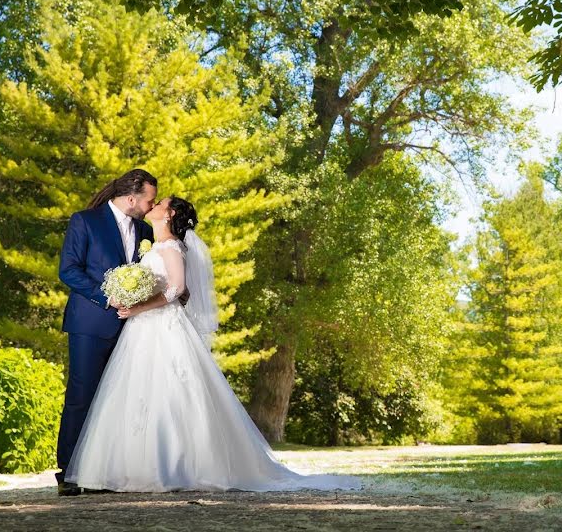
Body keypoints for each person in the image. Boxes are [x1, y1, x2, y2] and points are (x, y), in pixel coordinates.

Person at [65, 196, 360, 492]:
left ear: (170, 215)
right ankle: (131, 467)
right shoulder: (154, 245)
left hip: (163, 326)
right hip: (142, 329)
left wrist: (138, 307)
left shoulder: (170, 246)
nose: (152, 206)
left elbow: (177, 288)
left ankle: (173, 466)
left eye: (160, 203)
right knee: (136, 392)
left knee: (171, 392)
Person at [55, 169, 158, 496]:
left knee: (117, 398)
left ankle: (104, 472)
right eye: (149, 199)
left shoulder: (145, 230)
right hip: (90, 322)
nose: (150, 205)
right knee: (82, 394)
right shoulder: (84, 220)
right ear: (132, 198)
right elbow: (68, 270)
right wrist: (106, 296)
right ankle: (69, 471)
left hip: (132, 326)